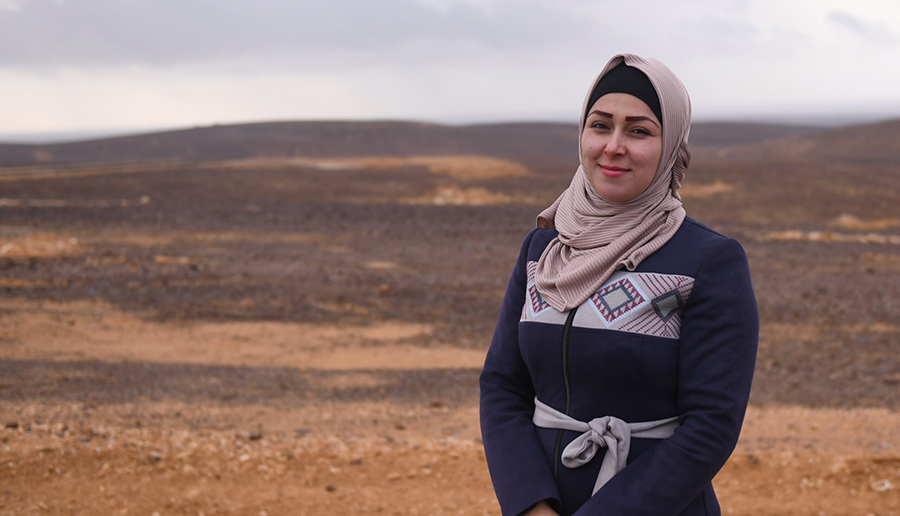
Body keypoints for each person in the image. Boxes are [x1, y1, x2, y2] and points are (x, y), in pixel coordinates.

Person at [479, 53, 759, 516]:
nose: (613, 146)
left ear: (672, 147)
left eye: (639, 130)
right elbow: (502, 386)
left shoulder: (708, 261)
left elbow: (711, 425)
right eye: (600, 125)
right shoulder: (543, 248)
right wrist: (529, 504)